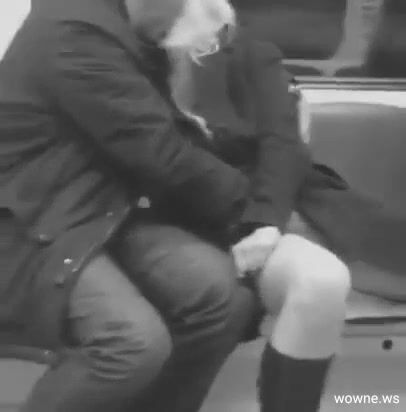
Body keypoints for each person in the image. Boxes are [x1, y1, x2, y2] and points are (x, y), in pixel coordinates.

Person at [0, 1, 258, 412]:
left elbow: (168, 136)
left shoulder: (124, 30)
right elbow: (157, 150)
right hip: (27, 216)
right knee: (130, 343)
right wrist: (258, 212)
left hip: (96, 206)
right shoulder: (75, 32)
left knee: (223, 301)